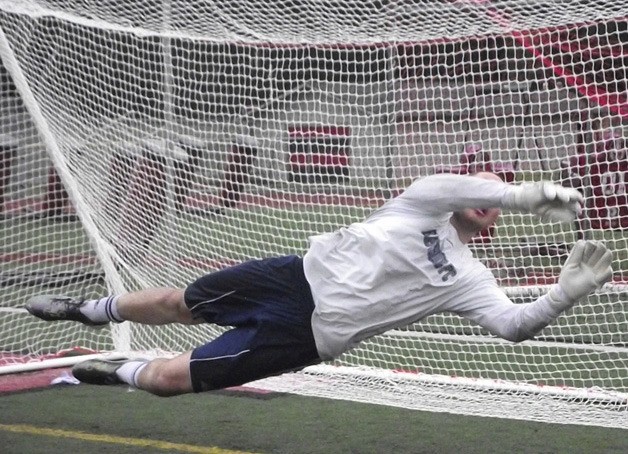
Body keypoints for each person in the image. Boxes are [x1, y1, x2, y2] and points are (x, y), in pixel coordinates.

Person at [25, 172, 613, 397]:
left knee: (175, 379)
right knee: (181, 302)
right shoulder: (421, 203)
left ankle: (109, 373)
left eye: (496, 200)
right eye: (481, 190)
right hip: (292, 276)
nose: (486, 199)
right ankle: (88, 310)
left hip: (314, 333)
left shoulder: (469, 277)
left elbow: (513, 327)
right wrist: (521, 194)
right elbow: (454, 185)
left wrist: (564, 294)